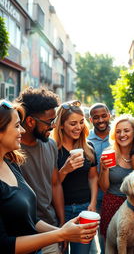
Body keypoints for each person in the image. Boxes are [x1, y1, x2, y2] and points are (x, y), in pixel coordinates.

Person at [0, 99, 99, 254]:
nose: (23, 130)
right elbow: (4, 245)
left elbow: (30, 217)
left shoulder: (11, 163)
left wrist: (62, 231)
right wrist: (60, 234)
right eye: (16, 125)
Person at [15, 87, 65, 254]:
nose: (53, 126)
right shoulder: (11, 150)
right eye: (49, 121)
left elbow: (55, 183)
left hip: (50, 228)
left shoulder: (50, 144)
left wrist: (61, 223)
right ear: (30, 121)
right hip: (21, 232)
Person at [52, 100, 99, 254]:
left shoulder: (88, 147)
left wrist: (92, 203)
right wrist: (65, 170)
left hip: (84, 209)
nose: (78, 127)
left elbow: (93, 177)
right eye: (73, 124)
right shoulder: (53, 149)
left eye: (81, 122)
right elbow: (52, 184)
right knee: (62, 251)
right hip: (61, 210)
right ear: (61, 125)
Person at [98, 114, 134, 240]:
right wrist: (104, 169)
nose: (122, 135)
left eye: (126, 131)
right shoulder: (109, 154)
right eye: (118, 131)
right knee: (110, 245)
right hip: (112, 204)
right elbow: (104, 188)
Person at [87, 103, 111, 254]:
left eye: (103, 116)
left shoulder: (117, 135)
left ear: (109, 115)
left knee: (109, 234)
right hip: (94, 196)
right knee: (95, 235)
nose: (100, 120)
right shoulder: (86, 139)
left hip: (113, 192)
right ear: (91, 119)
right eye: (96, 117)